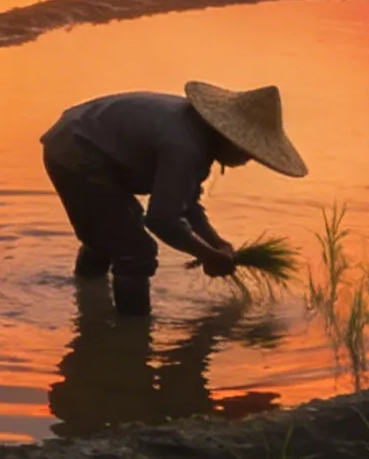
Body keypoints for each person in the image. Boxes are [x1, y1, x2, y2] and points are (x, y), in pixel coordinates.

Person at [39, 81, 308, 316]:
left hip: (82, 141)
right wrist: (208, 256)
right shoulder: (185, 147)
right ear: (228, 138)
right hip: (76, 151)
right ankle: (132, 336)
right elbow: (162, 220)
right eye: (247, 152)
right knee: (135, 251)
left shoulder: (195, 132)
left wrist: (217, 243)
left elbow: (186, 203)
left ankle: (88, 300)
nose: (247, 160)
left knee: (111, 233)